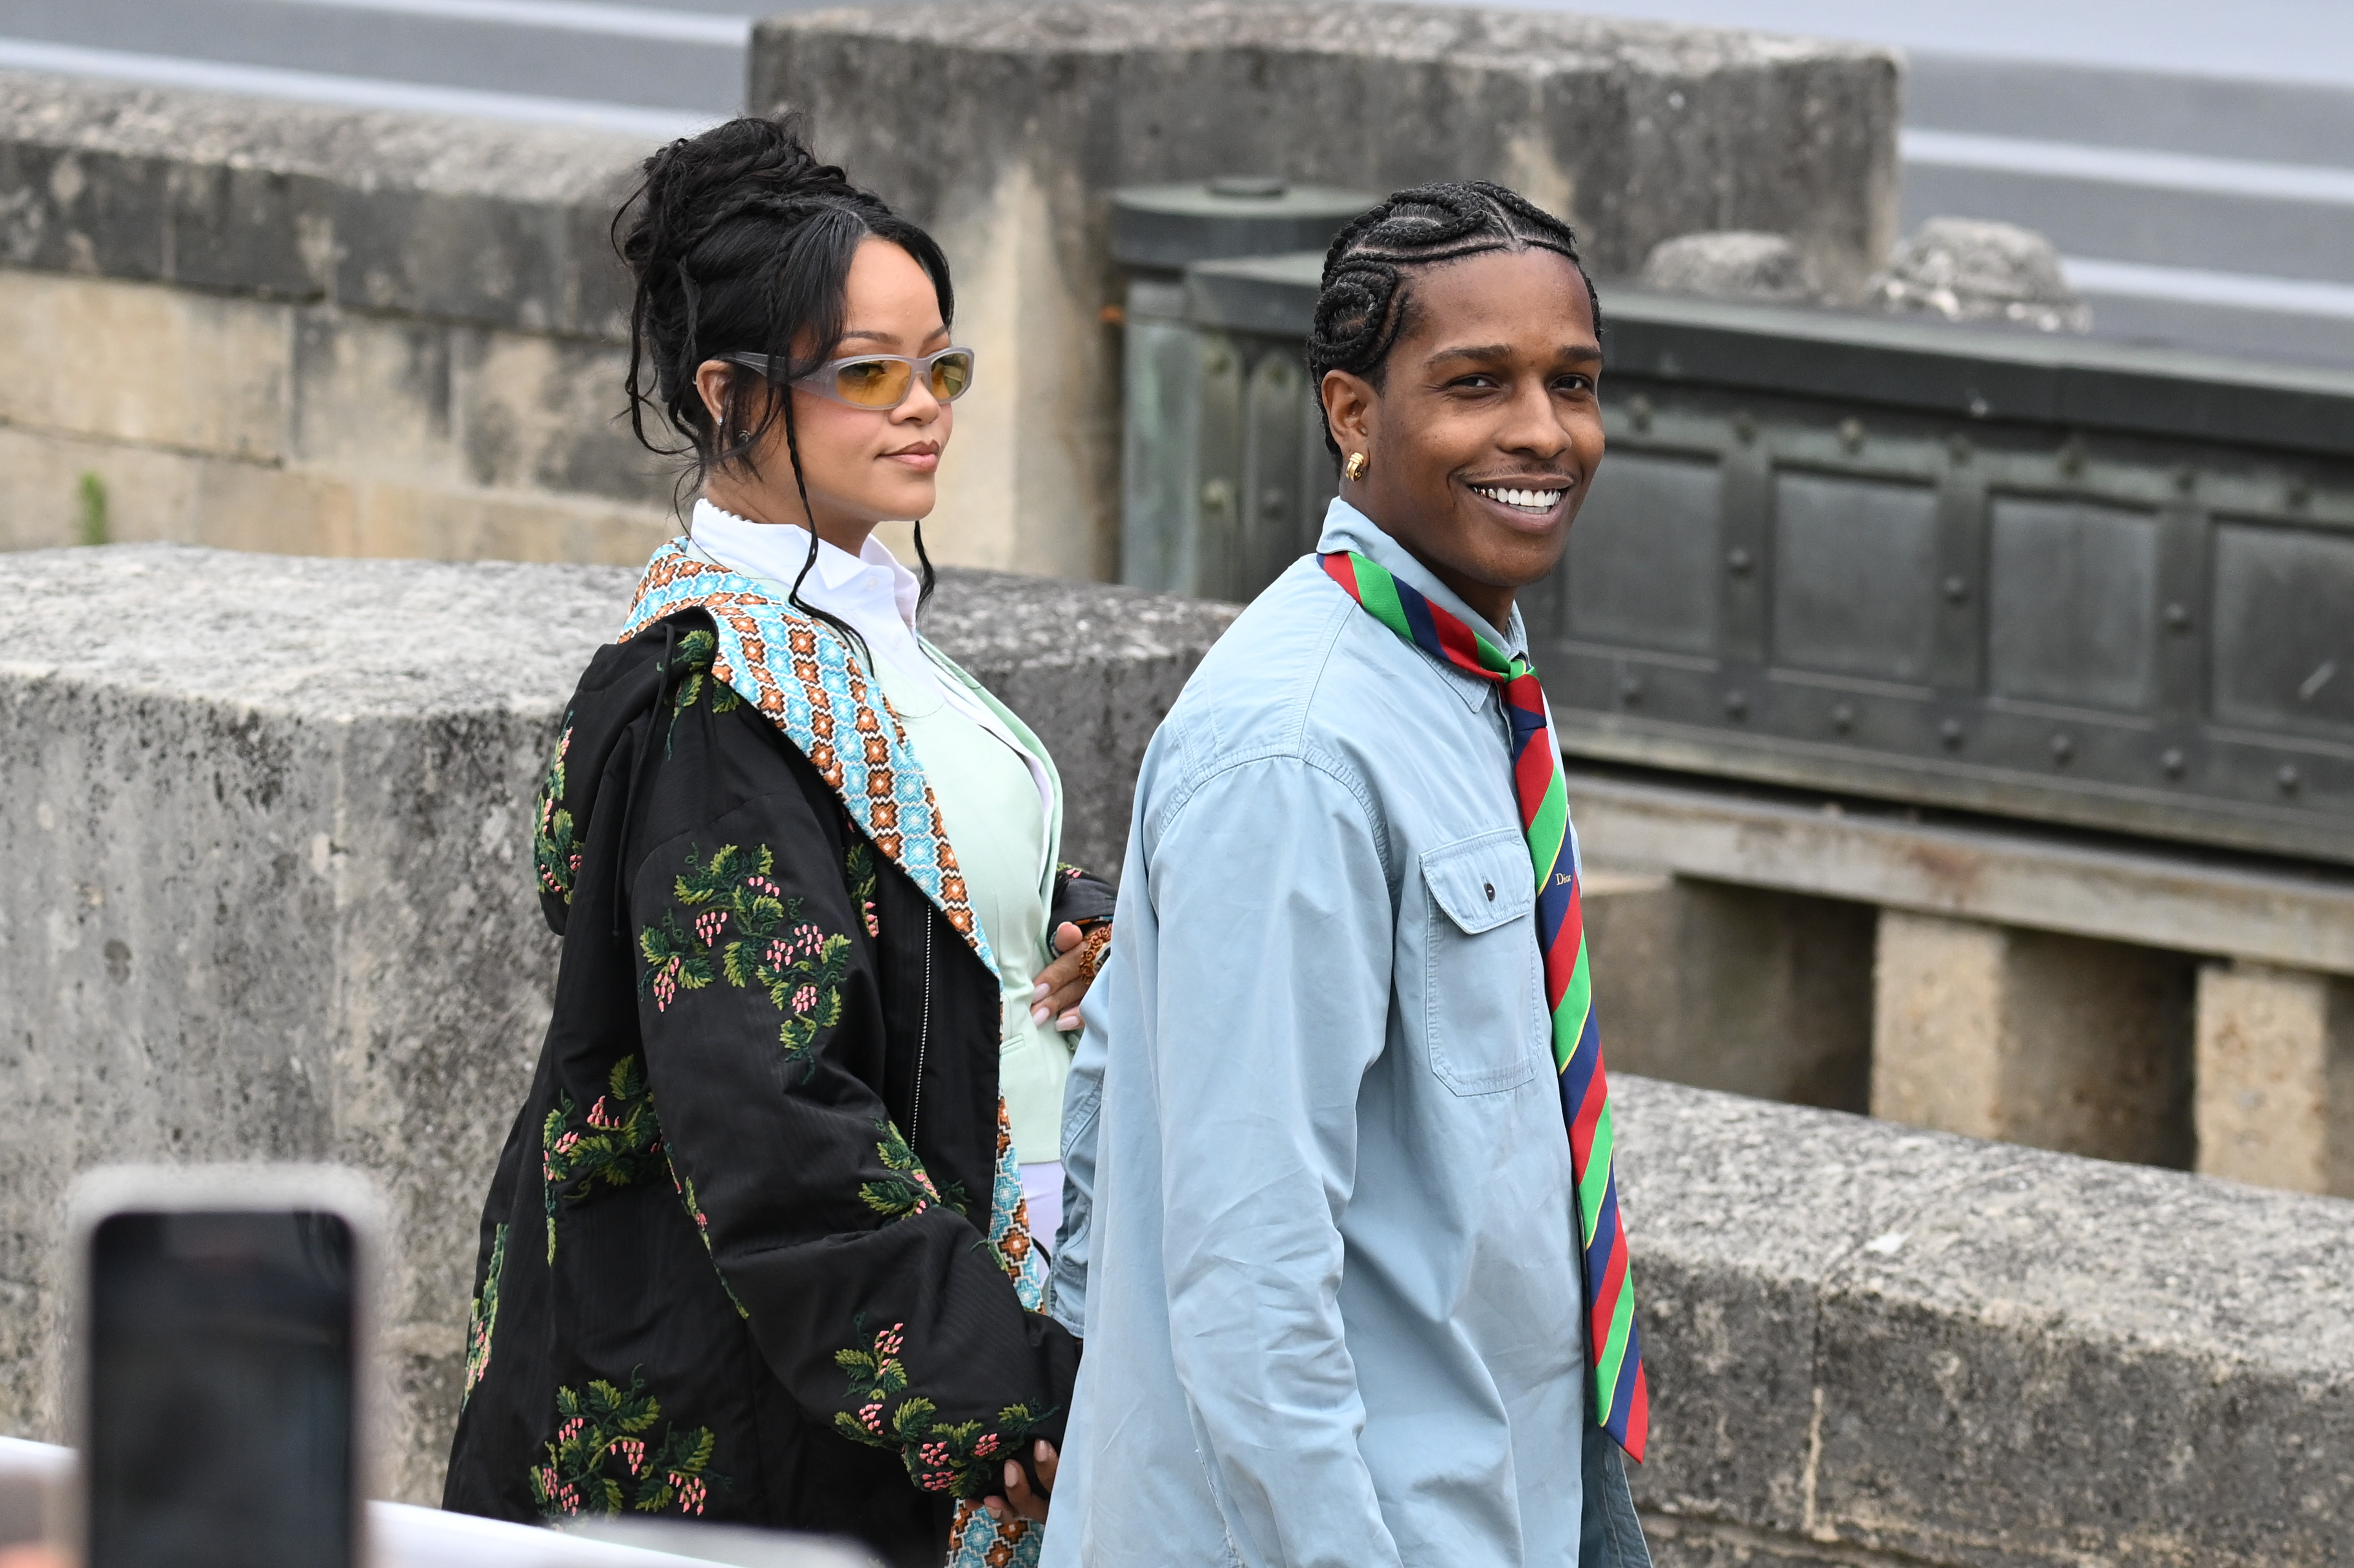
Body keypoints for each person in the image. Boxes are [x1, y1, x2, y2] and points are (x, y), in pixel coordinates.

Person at [442, 116, 1114, 1568]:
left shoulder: (856, 628)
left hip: (964, 1295)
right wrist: (1010, 1395)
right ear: (732, 395)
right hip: (763, 1396)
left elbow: (909, 889)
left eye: (943, 366)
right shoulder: (713, 695)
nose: (923, 405)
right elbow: (770, 1114)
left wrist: (1077, 922)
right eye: (867, 373)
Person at [1043, 182, 1653, 1567]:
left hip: (1499, 1497)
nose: (1543, 433)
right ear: (1352, 414)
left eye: (1574, 382)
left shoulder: (1463, 677)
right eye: (1475, 383)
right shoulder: (1300, 749)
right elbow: (1248, 1275)